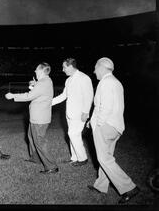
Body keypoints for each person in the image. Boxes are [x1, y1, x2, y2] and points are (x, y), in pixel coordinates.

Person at [88, 57, 139, 203]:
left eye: (95, 68)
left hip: (105, 126)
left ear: (102, 68)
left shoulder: (105, 83)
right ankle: (101, 185)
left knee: (104, 158)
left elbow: (105, 107)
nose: (94, 71)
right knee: (107, 156)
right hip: (116, 126)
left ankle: (129, 187)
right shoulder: (116, 82)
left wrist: (98, 124)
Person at [5, 62, 58, 174]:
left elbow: (29, 96)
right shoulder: (46, 81)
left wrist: (13, 95)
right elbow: (39, 91)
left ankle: (51, 167)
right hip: (37, 117)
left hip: (39, 118)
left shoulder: (42, 83)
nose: (35, 71)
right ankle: (35, 158)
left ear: (42, 71)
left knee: (39, 142)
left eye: (37, 70)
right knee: (31, 137)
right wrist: (35, 83)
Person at [52, 58, 94, 166]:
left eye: (64, 67)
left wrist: (86, 112)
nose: (63, 70)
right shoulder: (68, 80)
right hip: (70, 113)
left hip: (80, 113)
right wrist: (49, 102)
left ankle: (83, 158)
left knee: (73, 134)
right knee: (72, 135)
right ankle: (74, 158)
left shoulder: (84, 78)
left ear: (70, 66)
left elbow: (89, 96)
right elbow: (63, 96)